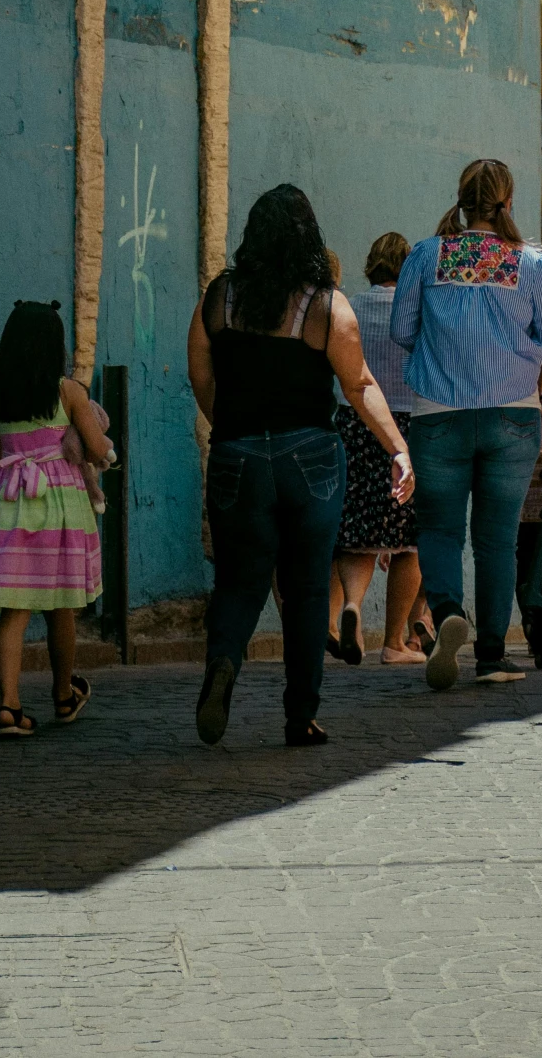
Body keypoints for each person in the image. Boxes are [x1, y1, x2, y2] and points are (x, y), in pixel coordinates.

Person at [187, 184, 413, 749]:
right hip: (311, 456)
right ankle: (300, 715)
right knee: (309, 586)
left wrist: (232, 426)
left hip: (236, 454)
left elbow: (200, 375)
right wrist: (397, 448)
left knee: (238, 581)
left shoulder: (219, 299)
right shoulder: (326, 306)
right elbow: (358, 386)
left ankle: (223, 664)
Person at [391, 157, 542, 691]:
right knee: (497, 540)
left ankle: (447, 610)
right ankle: (492, 656)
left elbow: (403, 330)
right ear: (508, 202)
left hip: (438, 416)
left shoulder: (427, 255)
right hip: (513, 414)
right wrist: (522, 351)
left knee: (440, 528)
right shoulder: (530, 263)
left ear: (461, 200)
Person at [0, 300, 111, 735]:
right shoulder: (69, 392)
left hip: (9, 504)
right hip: (59, 508)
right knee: (61, 606)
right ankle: (63, 695)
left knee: (13, 611)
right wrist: (107, 454)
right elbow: (98, 448)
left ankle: (9, 705)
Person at [327, 231, 430, 667]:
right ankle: (395, 641)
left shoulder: (347, 306)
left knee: (354, 534)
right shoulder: (417, 313)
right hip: (406, 427)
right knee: (408, 542)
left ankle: (344, 611)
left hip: (353, 424)